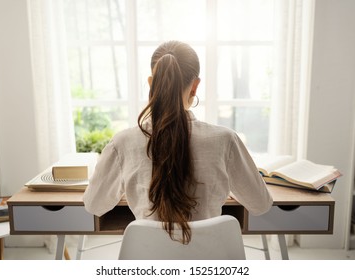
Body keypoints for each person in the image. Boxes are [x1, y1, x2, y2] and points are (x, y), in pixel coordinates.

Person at [83, 40, 272, 244]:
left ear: (151, 83)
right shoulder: (225, 140)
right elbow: (261, 204)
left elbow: (94, 205)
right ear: (195, 85)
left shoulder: (123, 143)